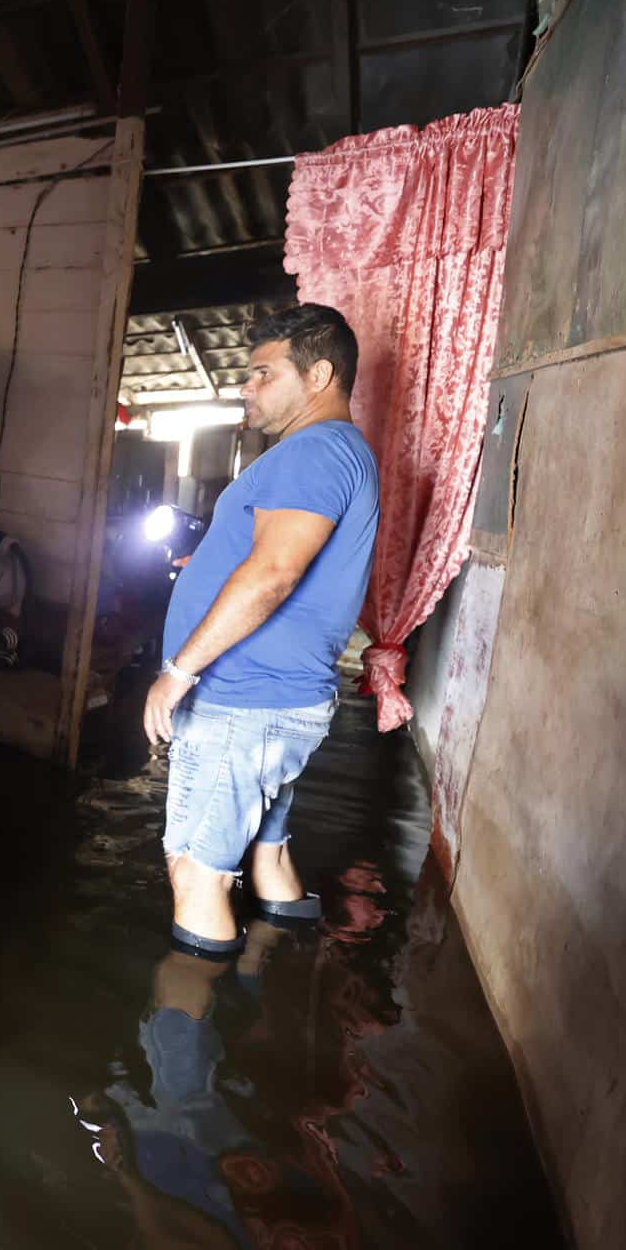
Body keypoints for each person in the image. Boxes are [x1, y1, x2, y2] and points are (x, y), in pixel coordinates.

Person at [142, 304, 379, 955]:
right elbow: (271, 558)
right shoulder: (337, 453)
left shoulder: (314, 450)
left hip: (244, 703)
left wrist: (178, 673)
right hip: (278, 702)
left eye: (262, 373)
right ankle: (278, 970)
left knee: (197, 874)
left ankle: (185, 1033)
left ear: (319, 374)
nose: (246, 387)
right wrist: (211, 568)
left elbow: (274, 572)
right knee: (265, 848)